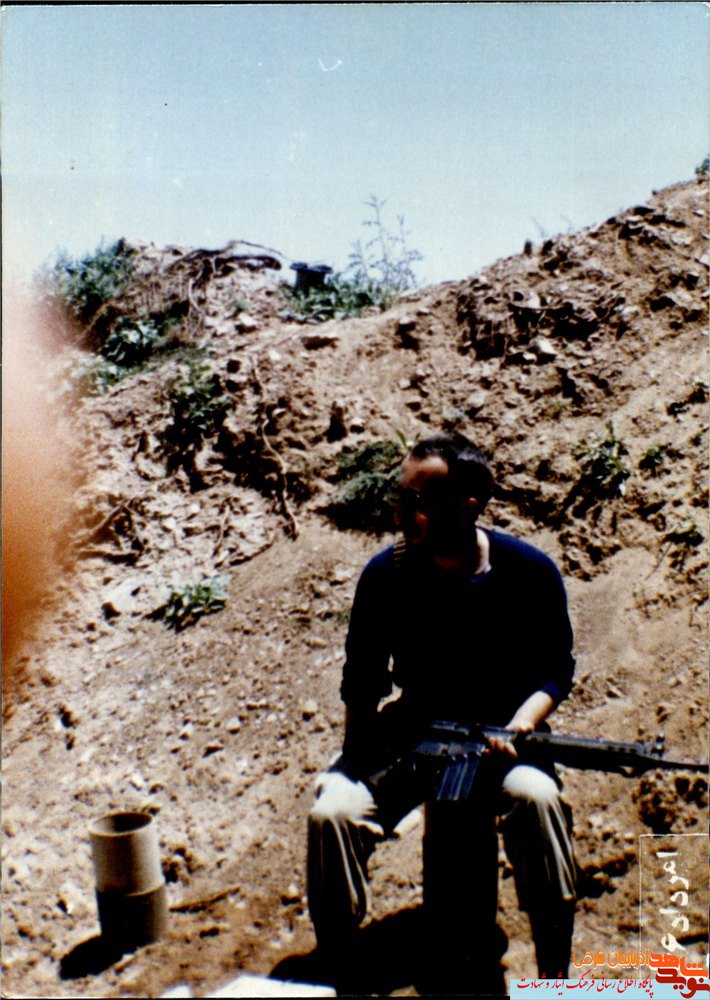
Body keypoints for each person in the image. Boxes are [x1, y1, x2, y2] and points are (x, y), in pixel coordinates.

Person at [307, 432, 577, 990]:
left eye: (417, 502)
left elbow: (555, 670)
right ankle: (341, 970)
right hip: (414, 736)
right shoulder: (386, 575)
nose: (401, 514)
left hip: (502, 738)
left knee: (539, 801)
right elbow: (363, 679)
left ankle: (555, 975)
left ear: (467, 506)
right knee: (331, 813)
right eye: (401, 497)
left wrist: (521, 725)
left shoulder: (528, 572)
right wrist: (356, 761)